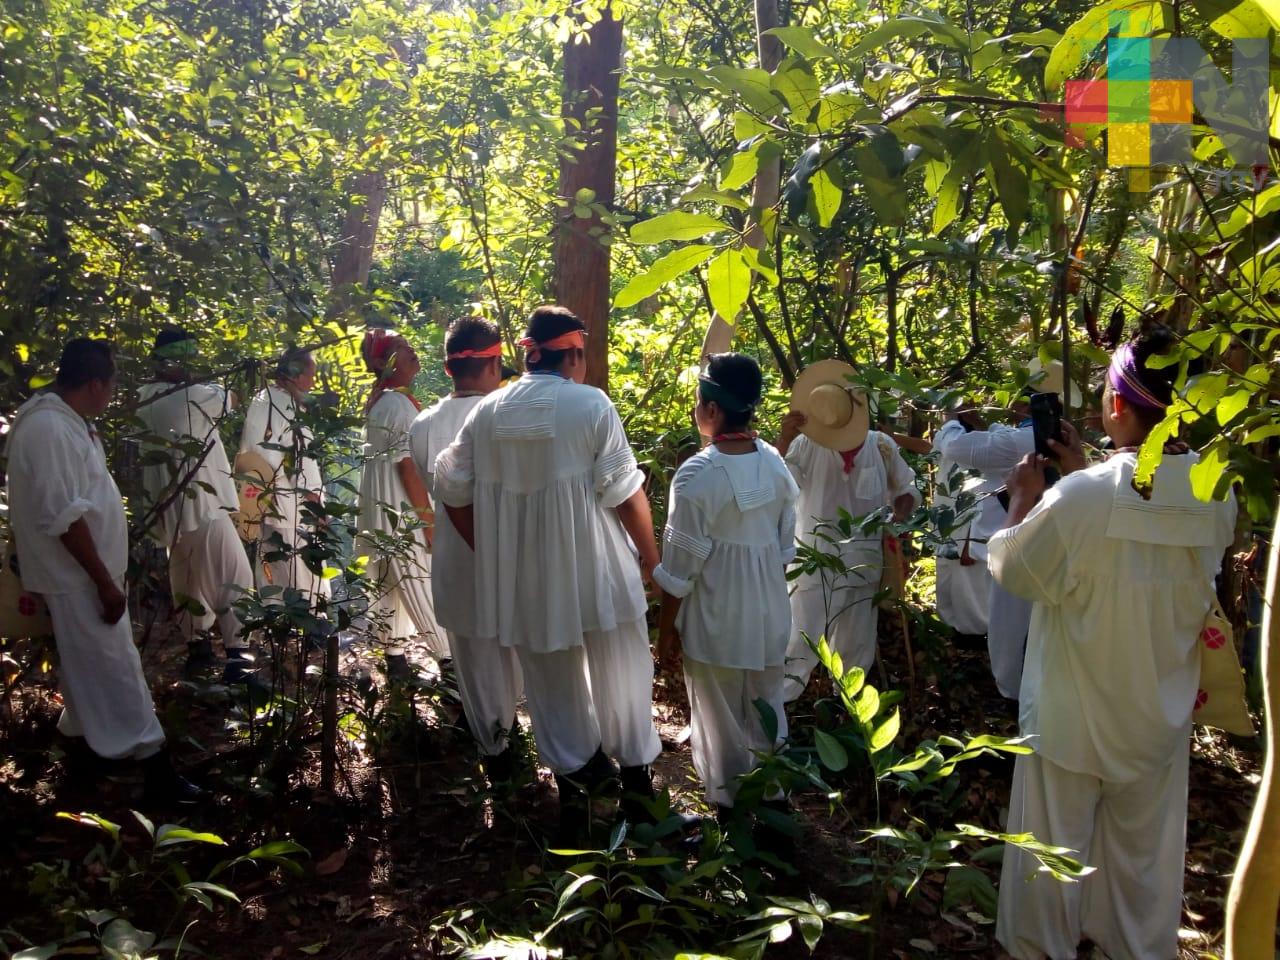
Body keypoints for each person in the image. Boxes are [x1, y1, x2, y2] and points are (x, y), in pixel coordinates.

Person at [991, 328, 1236, 960]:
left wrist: (1023, 502)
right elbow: (1142, 526)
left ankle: (1043, 948)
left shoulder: (1084, 495)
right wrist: (1081, 475)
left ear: (1119, 404)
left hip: (1071, 712)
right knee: (1142, 862)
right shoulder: (1217, 490)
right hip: (1157, 712)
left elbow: (1017, 570)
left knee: (1048, 856)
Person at [434, 305, 665, 839]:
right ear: (575, 354)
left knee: (551, 681)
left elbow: (450, 486)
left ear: (530, 355)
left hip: (529, 581)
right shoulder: (591, 404)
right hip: (600, 570)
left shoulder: (487, 412)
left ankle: (577, 808)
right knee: (622, 666)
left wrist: (492, 551)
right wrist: (653, 563)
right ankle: (639, 797)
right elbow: (626, 493)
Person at [6, 339, 203, 801]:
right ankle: (154, 766)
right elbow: (63, 516)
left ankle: (82, 755)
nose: (113, 394)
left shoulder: (67, 420)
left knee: (88, 667)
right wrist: (102, 582)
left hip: (85, 575)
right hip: (77, 579)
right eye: (112, 384)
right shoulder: (49, 429)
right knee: (117, 668)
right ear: (95, 384)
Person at [654, 353, 798, 822]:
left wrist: (666, 632)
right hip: (770, 612)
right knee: (767, 704)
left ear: (712, 409)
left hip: (716, 618)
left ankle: (731, 812)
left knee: (718, 715)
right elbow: (784, 549)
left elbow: (679, 571)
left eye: (699, 401)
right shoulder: (775, 464)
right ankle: (774, 801)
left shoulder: (697, 475)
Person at [409, 317, 522, 783]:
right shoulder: (509, 415)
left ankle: (497, 756)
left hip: (456, 563)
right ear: (494, 363)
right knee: (523, 654)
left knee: (476, 666)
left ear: (447, 368)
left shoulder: (423, 425)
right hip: (515, 559)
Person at [776, 360, 920, 700]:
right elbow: (778, 486)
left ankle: (848, 710)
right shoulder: (805, 445)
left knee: (855, 646)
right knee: (798, 641)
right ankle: (781, 708)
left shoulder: (881, 446)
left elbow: (906, 489)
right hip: (813, 561)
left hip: (862, 563)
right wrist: (783, 440)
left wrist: (899, 516)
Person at [938, 359, 1078, 699]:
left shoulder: (1025, 439)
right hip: (1039, 542)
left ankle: (1013, 696)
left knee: (1009, 627)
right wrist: (980, 423)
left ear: (1027, 402)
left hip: (1015, 543)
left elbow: (958, 448)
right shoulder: (1047, 435)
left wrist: (951, 420)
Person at [135, 328, 256, 683]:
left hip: (170, 511)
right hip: (203, 506)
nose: (191, 367)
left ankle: (198, 653)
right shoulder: (192, 395)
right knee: (234, 577)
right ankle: (238, 659)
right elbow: (234, 398)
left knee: (187, 578)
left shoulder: (145, 396)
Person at [356, 328, 446, 683]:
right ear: (382, 361)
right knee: (421, 579)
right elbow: (407, 466)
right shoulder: (395, 404)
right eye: (399, 348)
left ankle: (395, 662)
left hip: (383, 508)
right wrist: (427, 520)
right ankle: (450, 664)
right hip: (401, 509)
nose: (411, 351)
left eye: (409, 345)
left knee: (392, 582)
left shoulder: (385, 400)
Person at [237, 346, 330, 609]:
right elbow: (298, 462)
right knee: (301, 573)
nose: (313, 383)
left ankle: (275, 620)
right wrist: (315, 504)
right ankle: (310, 623)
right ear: (296, 375)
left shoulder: (262, 398)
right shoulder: (286, 406)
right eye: (310, 375)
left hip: (263, 500)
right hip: (290, 506)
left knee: (273, 571)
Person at [930, 409, 992, 640]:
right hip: (947, 527)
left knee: (968, 591)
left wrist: (969, 543)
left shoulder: (974, 448)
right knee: (948, 584)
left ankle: (974, 638)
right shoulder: (950, 440)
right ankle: (954, 633)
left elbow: (979, 499)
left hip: (966, 531)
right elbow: (931, 449)